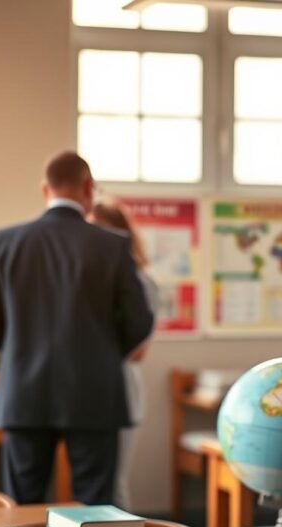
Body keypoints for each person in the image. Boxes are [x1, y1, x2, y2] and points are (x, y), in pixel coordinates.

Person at [0, 151, 154, 505]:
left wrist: (19, 349)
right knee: (95, 509)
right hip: (94, 392)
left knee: (23, 505)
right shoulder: (113, 246)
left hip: (24, 392)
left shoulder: (5, 242)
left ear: (45, 189)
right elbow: (139, 321)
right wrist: (102, 352)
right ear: (88, 187)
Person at [89, 197, 159, 510]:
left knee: (113, 485)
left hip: (121, 392)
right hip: (90, 392)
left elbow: (139, 351)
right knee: (94, 485)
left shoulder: (142, 282)